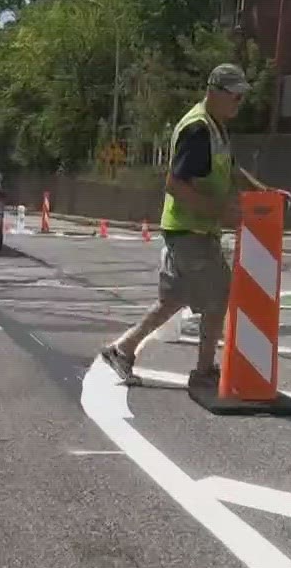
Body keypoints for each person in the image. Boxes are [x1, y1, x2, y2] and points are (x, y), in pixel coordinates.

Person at [99, 62, 250, 387]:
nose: (239, 102)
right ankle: (205, 371)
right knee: (219, 296)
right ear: (214, 92)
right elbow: (175, 185)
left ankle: (122, 350)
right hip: (190, 230)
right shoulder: (197, 129)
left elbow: (233, 169)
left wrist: (264, 191)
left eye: (242, 97)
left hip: (189, 229)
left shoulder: (217, 127)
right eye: (235, 96)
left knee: (173, 299)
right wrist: (218, 213)